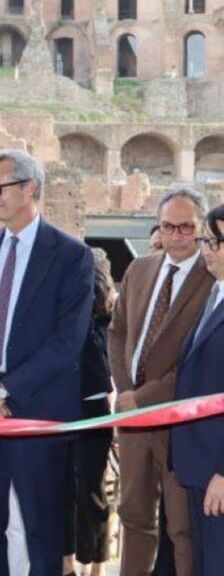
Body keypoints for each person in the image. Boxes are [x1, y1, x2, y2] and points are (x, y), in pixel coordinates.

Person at [0, 149, 94, 576]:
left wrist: (5, 390)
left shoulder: (70, 255)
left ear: (30, 187)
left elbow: (67, 341)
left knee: (42, 532)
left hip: (37, 408)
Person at [109, 187, 214, 576]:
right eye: (168, 226)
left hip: (179, 423)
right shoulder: (141, 268)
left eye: (186, 226)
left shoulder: (212, 280)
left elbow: (197, 359)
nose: (177, 235)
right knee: (133, 516)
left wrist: (146, 397)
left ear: (200, 228)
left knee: (182, 526)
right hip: (134, 420)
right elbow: (117, 334)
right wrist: (125, 393)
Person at [170, 203, 224, 576]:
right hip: (198, 463)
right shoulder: (215, 293)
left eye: (215, 241)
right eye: (207, 239)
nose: (206, 248)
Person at [63, 252, 116, 576]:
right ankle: (66, 560)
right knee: (64, 488)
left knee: (92, 491)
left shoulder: (104, 315)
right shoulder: (64, 311)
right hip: (61, 407)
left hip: (93, 407)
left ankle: (96, 563)